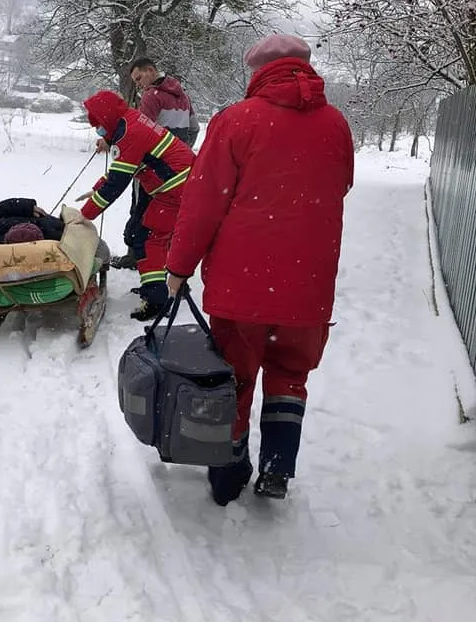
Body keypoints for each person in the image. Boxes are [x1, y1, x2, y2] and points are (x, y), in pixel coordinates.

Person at [166, 34, 354, 504]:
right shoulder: (336, 125)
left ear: (258, 72)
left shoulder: (236, 121)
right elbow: (342, 184)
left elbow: (203, 203)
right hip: (308, 284)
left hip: (242, 284)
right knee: (290, 374)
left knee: (236, 375)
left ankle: (229, 470)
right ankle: (277, 469)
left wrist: (179, 265)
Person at [78, 90, 195, 320]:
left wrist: (86, 214)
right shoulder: (128, 122)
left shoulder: (129, 132)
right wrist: (97, 188)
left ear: (107, 116)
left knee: (149, 237)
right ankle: (171, 286)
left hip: (177, 187)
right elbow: (124, 167)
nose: (97, 129)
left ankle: (157, 299)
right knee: (138, 233)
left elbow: (117, 184)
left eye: (98, 123)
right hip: (168, 185)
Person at [110, 57, 200, 271]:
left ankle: (135, 256)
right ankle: (162, 256)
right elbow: (194, 128)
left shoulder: (152, 96)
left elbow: (139, 134)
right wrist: (181, 150)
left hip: (151, 169)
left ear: (150, 70)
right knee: (166, 215)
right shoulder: (184, 96)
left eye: (139, 78)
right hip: (177, 171)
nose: (138, 84)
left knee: (140, 209)